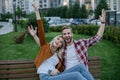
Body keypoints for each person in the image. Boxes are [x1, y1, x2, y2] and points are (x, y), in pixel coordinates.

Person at [28, 3, 95, 80]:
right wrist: (37, 12)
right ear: (54, 39)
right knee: (76, 75)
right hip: (46, 77)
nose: (58, 41)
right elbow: (41, 31)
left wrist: (57, 70)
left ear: (60, 46)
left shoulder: (58, 56)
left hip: (56, 76)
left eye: (61, 42)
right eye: (58, 39)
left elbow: (60, 70)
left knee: (80, 67)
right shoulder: (45, 48)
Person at [61, 9, 106, 77]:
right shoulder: (61, 48)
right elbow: (45, 46)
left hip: (82, 74)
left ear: (72, 34)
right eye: (64, 34)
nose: (67, 35)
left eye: (68, 33)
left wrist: (103, 23)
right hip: (68, 75)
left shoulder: (81, 43)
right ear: (62, 36)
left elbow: (97, 37)